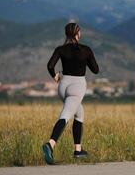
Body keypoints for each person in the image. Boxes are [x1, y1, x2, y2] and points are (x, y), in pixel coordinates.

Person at [42, 22, 99, 165]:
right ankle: (50, 144)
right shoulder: (86, 50)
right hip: (77, 86)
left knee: (79, 114)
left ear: (66, 34)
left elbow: (50, 66)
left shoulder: (61, 49)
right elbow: (96, 70)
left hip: (63, 85)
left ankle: (78, 150)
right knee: (66, 115)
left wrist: (55, 76)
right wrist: (85, 60)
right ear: (77, 33)